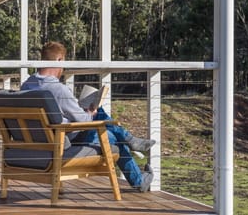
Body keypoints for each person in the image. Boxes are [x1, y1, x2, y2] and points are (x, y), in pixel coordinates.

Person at [21, 41, 155, 192]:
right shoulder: (58, 89)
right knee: (111, 135)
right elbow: (84, 121)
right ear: (58, 60)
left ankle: (132, 145)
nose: (63, 68)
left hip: (39, 141)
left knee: (108, 129)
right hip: (64, 139)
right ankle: (132, 149)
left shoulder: (26, 85)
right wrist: (90, 113)